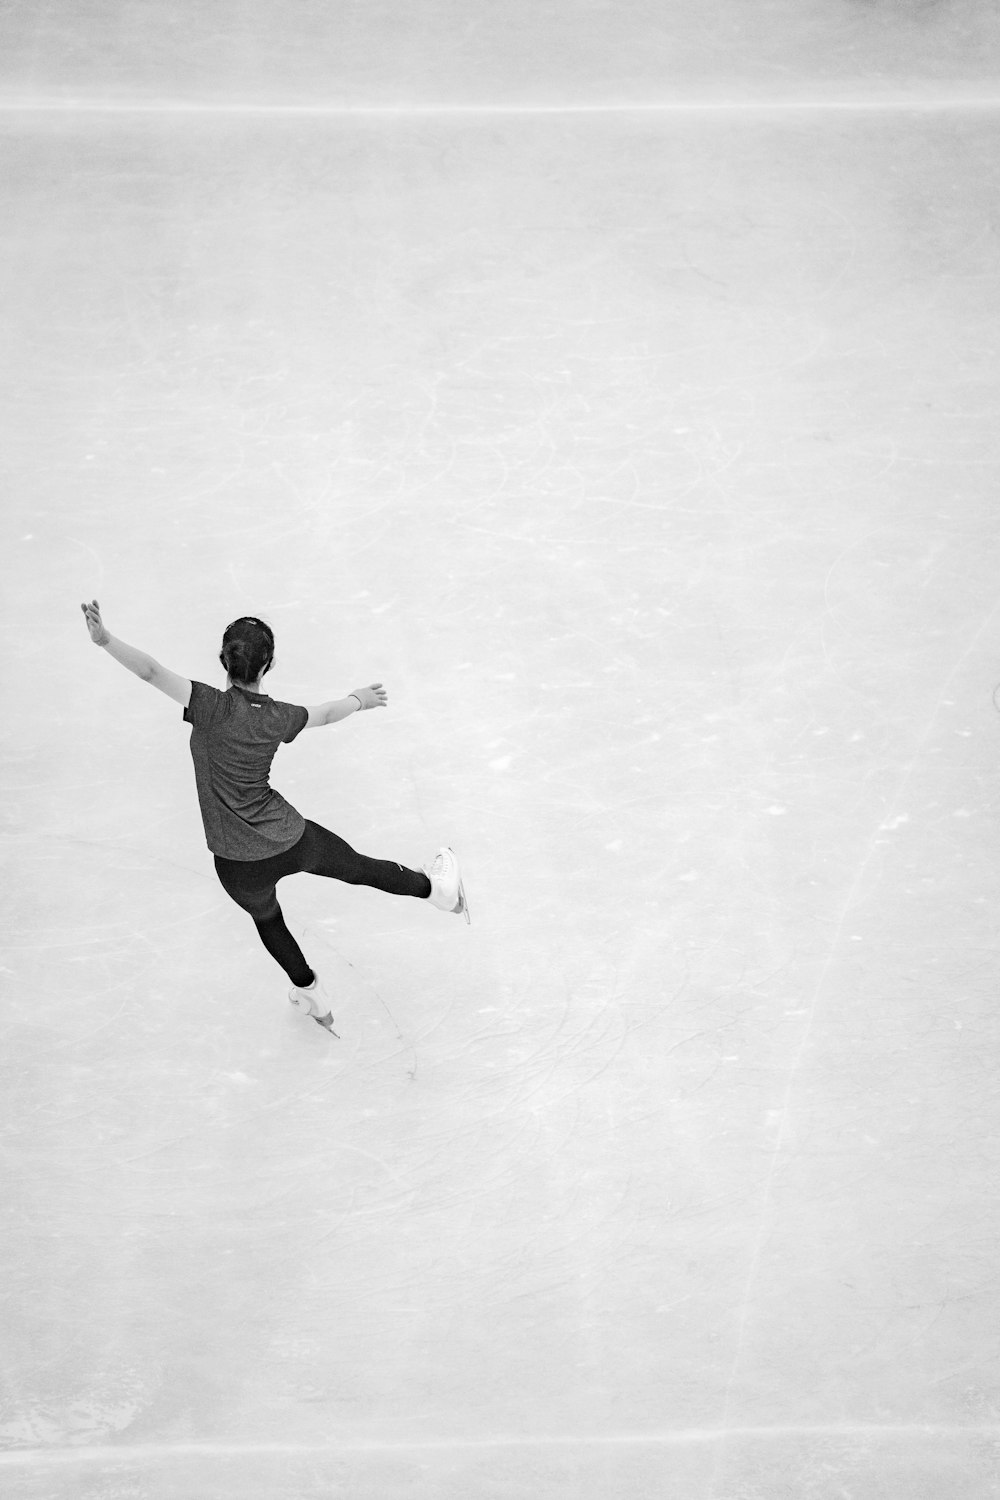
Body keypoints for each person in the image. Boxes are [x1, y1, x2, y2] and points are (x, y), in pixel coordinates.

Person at [79, 600, 468, 1033]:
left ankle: (313, 995)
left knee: (269, 921)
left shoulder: (207, 706)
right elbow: (322, 714)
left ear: (222, 661)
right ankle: (437, 891)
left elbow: (150, 672)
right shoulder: (280, 717)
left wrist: (105, 640)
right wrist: (358, 699)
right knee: (358, 868)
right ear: (271, 664)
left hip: (235, 863)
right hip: (291, 839)